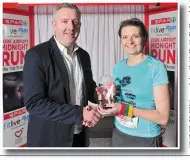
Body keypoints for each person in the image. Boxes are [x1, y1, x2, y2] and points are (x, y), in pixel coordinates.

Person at [23, 3, 101, 147]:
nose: (71, 27)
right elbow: (34, 103)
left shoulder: (84, 56)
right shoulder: (37, 55)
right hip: (50, 140)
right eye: (65, 21)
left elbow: (88, 87)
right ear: (54, 24)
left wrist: (101, 95)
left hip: (79, 136)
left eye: (75, 22)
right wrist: (79, 113)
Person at [98, 18, 170, 147]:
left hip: (145, 138)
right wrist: (105, 102)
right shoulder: (118, 67)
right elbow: (117, 100)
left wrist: (124, 109)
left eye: (135, 36)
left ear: (144, 39)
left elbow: (163, 117)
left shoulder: (155, 67)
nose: (129, 41)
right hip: (119, 131)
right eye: (125, 37)